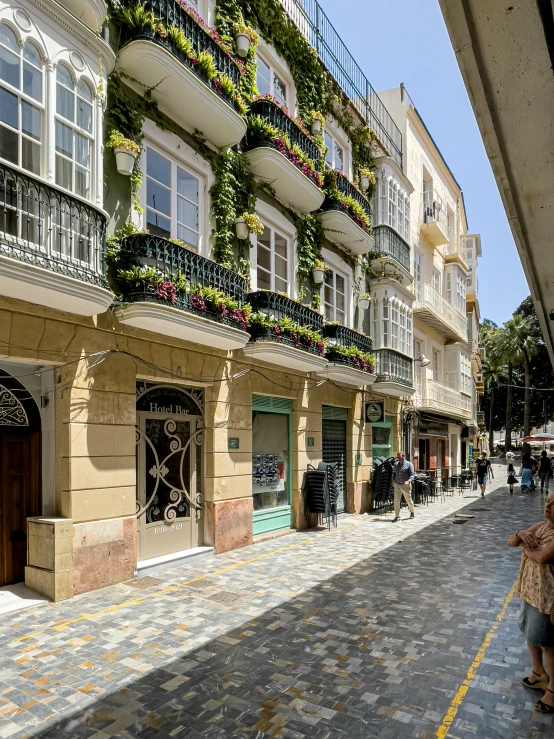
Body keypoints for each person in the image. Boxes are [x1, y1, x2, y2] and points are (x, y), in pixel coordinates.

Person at [508, 496, 554, 713]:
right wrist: (521, 534)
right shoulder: (542, 526)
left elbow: (543, 557)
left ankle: (553, 690)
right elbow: (511, 542)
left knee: (547, 643)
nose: (548, 506)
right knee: (530, 633)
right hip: (530, 591)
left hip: (548, 598)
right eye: (548, 501)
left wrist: (525, 549)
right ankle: (538, 672)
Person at [391, 451, 415, 523]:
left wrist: (409, 481)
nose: (398, 458)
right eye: (397, 457)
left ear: (403, 457)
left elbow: (412, 474)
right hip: (397, 484)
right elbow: (393, 473)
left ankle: (412, 512)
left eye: (400, 457)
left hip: (405, 485)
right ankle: (397, 516)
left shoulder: (409, 464)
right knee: (396, 501)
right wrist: (393, 480)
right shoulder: (396, 465)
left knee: (408, 500)